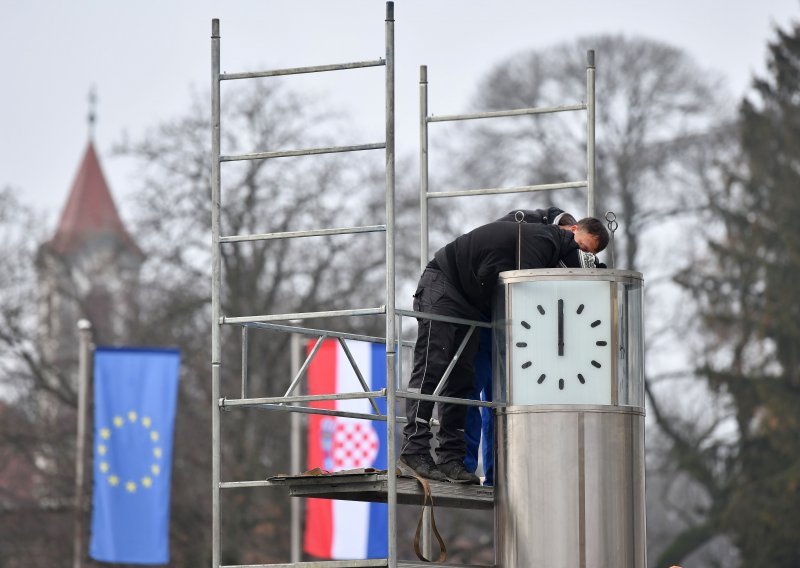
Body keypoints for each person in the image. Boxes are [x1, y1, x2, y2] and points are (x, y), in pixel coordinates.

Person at [399, 217, 609, 483]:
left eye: (589, 254)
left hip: (469, 300)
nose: (582, 254)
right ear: (572, 229)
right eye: (582, 247)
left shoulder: (551, 247)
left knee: (462, 379)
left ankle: (451, 458)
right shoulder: (541, 238)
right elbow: (525, 289)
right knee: (432, 365)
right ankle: (414, 450)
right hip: (444, 285)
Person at [464, 206, 580, 485]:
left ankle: (496, 475)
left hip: (509, 328)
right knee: (470, 393)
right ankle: (465, 466)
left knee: (500, 403)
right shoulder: (522, 225)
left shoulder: (547, 239)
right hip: (484, 319)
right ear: (572, 230)